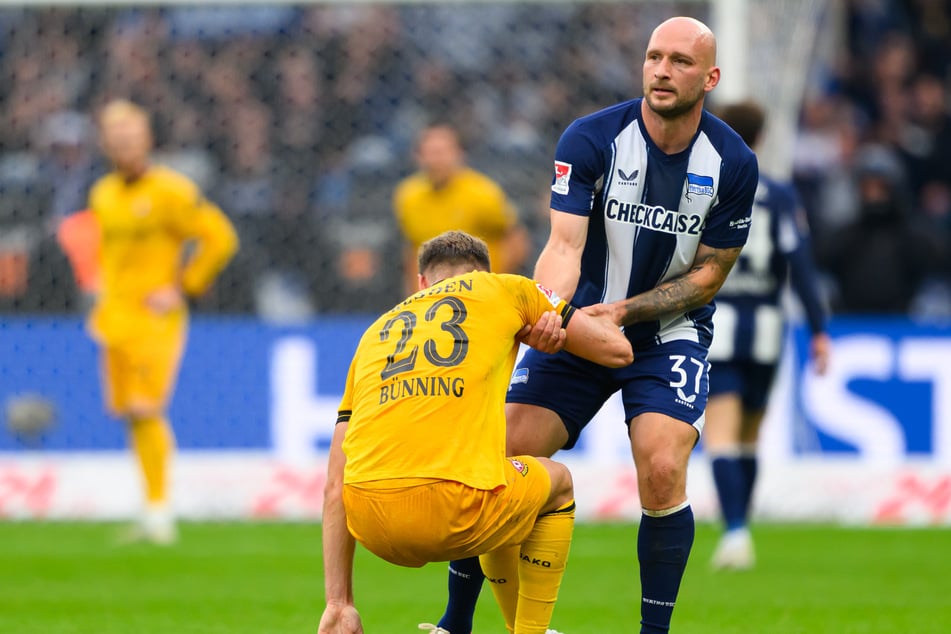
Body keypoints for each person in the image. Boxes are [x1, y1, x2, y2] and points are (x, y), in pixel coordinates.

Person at [432, 16, 759, 634]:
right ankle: (456, 623)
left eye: (681, 62)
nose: (662, 70)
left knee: (662, 465)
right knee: (502, 450)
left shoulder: (734, 163)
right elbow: (562, 245)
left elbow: (711, 275)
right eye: (654, 57)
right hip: (580, 323)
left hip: (669, 331)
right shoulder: (591, 138)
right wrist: (553, 313)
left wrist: (627, 312)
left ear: (710, 77)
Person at [318, 230, 633, 634]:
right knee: (555, 484)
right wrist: (541, 334)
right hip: (452, 509)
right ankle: (529, 631)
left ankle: (459, 625)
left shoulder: (376, 332)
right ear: (485, 272)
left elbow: (333, 483)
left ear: (421, 284)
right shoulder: (505, 290)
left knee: (504, 485)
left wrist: (338, 602)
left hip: (372, 524)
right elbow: (617, 351)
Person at [86, 99, 239, 544]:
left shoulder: (172, 191)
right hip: (113, 318)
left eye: (130, 135)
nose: (123, 143)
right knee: (130, 415)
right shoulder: (103, 193)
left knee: (144, 408)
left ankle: (159, 516)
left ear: (147, 139)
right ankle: (151, 508)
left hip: (155, 319)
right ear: (105, 143)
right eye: (115, 136)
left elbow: (219, 237)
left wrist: (183, 286)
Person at [705, 101, 831, 570]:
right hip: (767, 332)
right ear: (759, 138)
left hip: (716, 325)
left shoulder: (705, 189)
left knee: (721, 435)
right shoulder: (778, 195)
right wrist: (820, 330)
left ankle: (735, 531)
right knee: (749, 436)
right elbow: (801, 266)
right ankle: (741, 528)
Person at [393, 123, 530, 295]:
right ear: (418, 157)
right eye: (430, 153)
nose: (436, 160)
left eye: (442, 152)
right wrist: (415, 294)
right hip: (432, 297)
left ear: (459, 154)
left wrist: (495, 285)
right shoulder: (407, 196)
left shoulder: (483, 193)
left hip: (480, 293)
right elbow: (413, 250)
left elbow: (516, 241)